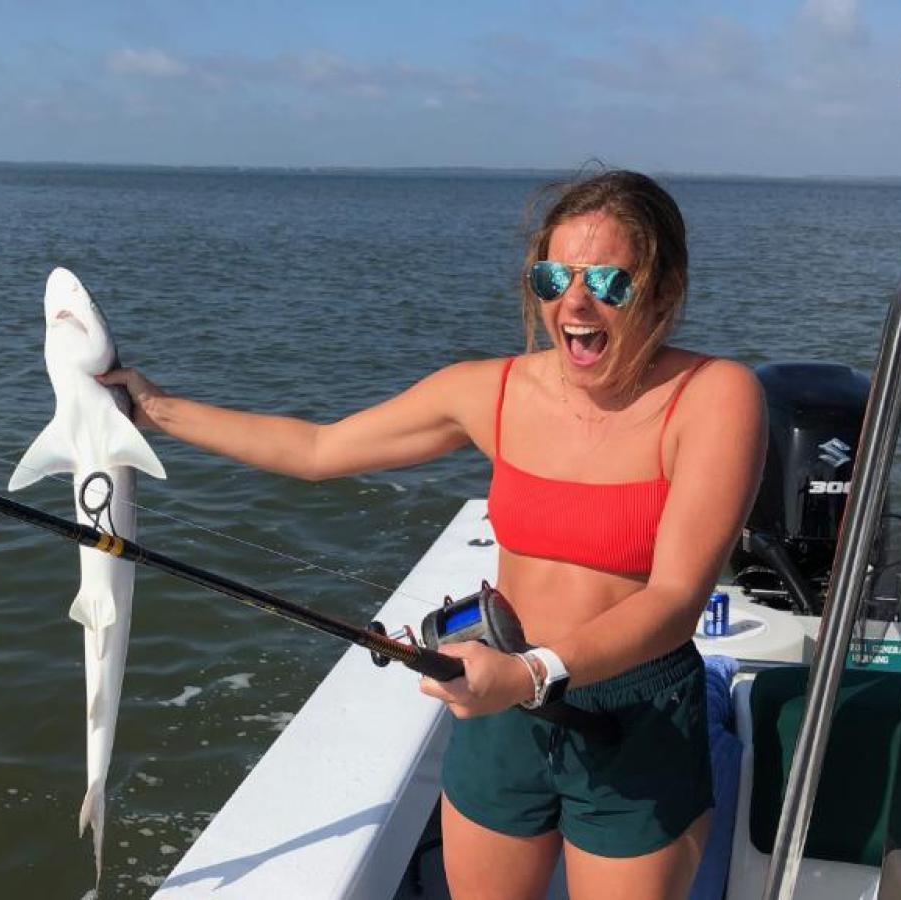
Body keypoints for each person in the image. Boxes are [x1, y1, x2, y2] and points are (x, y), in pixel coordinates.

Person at [99, 170, 767, 900]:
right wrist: (155, 410)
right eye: (553, 276)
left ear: (664, 291)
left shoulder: (715, 396)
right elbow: (319, 450)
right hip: (500, 704)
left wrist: (534, 671)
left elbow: (675, 595)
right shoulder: (490, 390)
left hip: (632, 714)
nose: (574, 301)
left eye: (609, 281)